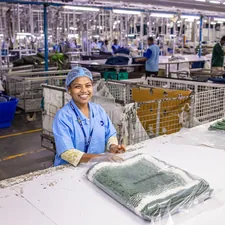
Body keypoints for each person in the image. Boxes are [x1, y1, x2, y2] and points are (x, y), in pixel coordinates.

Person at [53, 67, 126, 167]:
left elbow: (110, 134)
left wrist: (113, 147)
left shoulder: (98, 110)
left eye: (88, 85)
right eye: (77, 86)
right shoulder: (63, 117)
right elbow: (67, 152)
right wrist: (100, 158)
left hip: (97, 165)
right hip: (68, 169)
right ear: (69, 90)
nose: (84, 90)